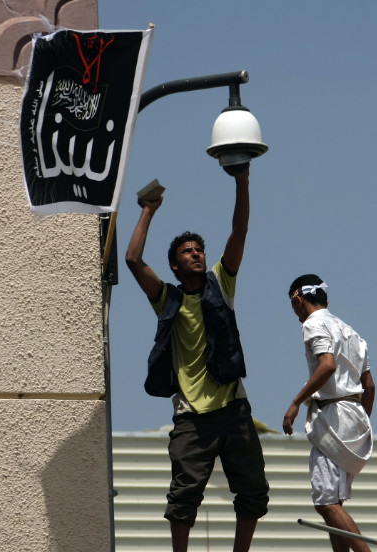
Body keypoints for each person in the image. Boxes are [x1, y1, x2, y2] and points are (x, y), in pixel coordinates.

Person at [124, 166, 269, 552]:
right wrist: (148, 211)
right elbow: (133, 260)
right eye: (188, 252)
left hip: (232, 406)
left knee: (254, 491)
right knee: (183, 497)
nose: (196, 254)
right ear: (175, 264)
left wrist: (242, 181)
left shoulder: (221, 283)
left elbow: (239, 232)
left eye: (199, 250)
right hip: (190, 414)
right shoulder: (167, 298)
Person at [282, 274, 376, 552]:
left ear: (298, 300)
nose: (296, 315)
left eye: (293, 307)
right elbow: (369, 385)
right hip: (355, 415)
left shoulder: (314, 323)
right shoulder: (352, 332)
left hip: (333, 415)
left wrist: (296, 402)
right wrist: (362, 420)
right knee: (335, 504)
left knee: (325, 503)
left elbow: (327, 365)